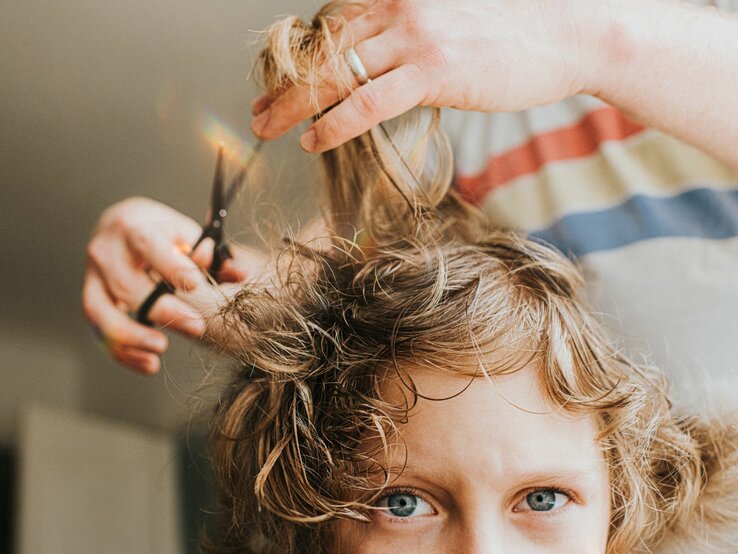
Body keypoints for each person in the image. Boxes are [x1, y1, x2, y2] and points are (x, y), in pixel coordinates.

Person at [191, 10, 737, 552]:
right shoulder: (449, 114)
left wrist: (589, 40)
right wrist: (191, 276)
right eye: (402, 503)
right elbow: (358, 311)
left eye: (544, 497)